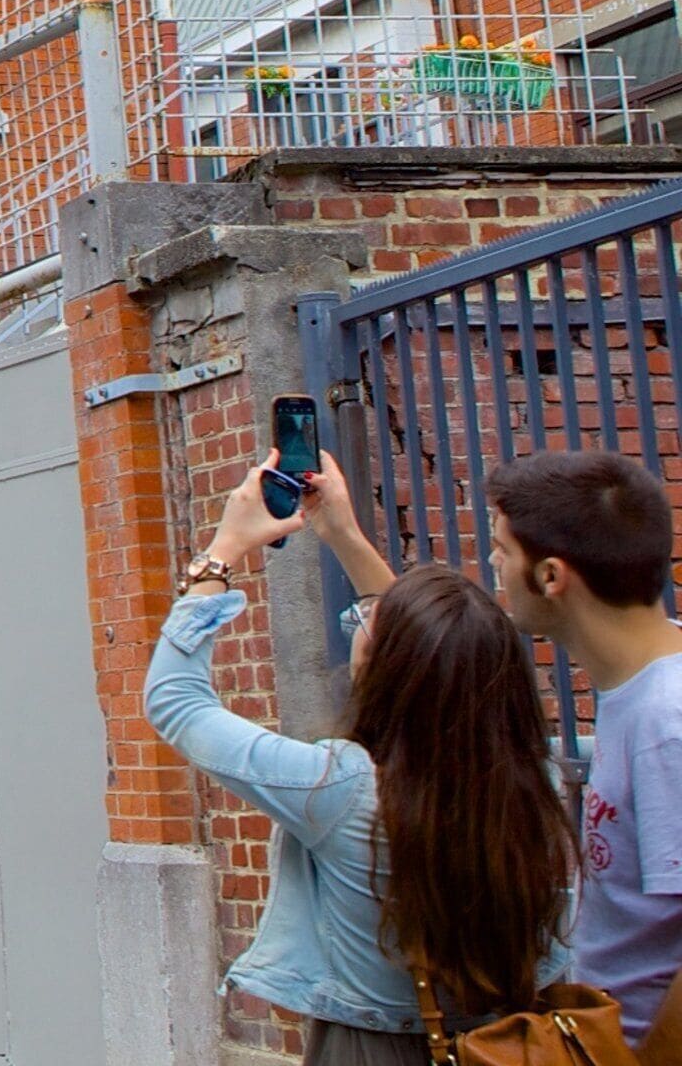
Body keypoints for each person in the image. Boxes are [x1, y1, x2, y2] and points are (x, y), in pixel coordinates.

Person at [152, 451, 573, 1061]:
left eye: (366, 628)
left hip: (374, 1047)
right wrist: (343, 536)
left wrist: (221, 551)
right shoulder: (542, 780)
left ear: (383, 671)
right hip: (516, 1042)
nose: (361, 625)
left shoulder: (341, 787)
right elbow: (432, 650)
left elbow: (177, 701)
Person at [399, 450, 682, 1045]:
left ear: (551, 576)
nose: (493, 565)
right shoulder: (640, 691)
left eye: (502, 550)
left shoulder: (668, 721)